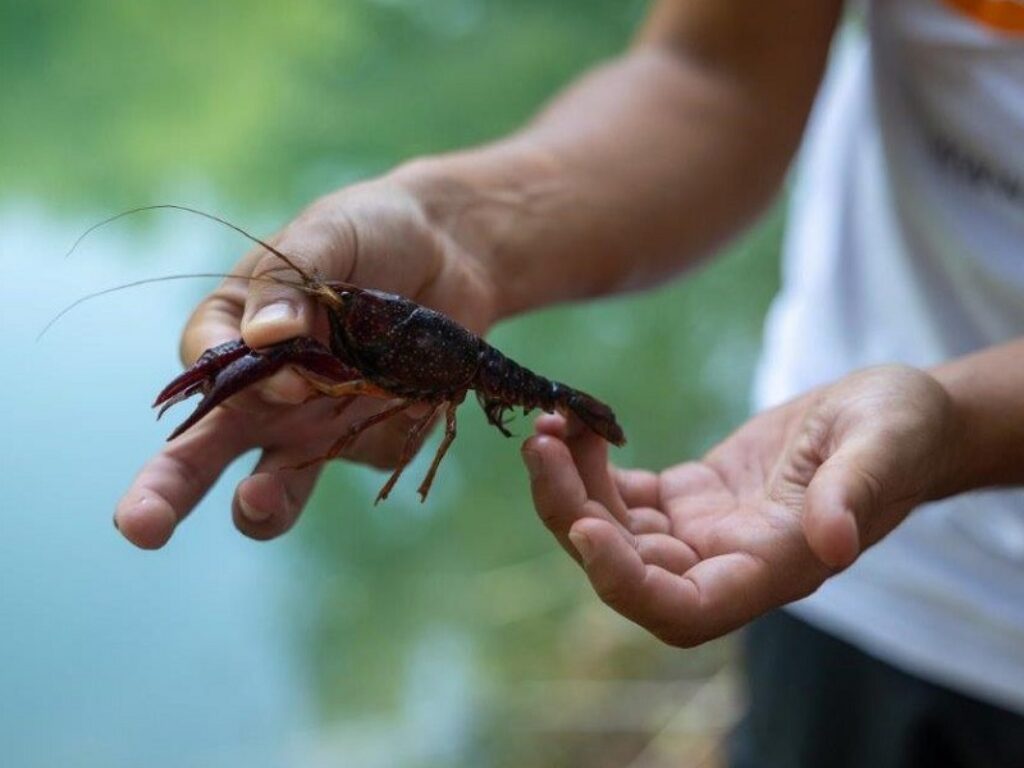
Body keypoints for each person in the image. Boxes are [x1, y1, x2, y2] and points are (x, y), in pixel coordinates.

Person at [113, 0, 1024, 765]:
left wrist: (963, 422)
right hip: (847, 557)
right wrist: (457, 221)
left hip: (850, 499)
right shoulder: (367, 323)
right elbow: (718, 74)